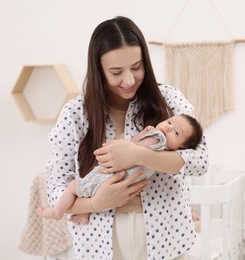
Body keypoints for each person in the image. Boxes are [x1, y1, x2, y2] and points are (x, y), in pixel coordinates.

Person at [45, 16, 209, 260]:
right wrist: (94, 204)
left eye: (136, 67)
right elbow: (56, 188)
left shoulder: (169, 99)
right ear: (98, 69)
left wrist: (138, 154)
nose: (129, 80)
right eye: (116, 72)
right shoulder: (75, 114)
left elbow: (200, 161)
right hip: (100, 243)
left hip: (167, 237)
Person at [39, 114, 203, 224]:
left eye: (176, 132)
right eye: (169, 122)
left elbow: (133, 149)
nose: (168, 128)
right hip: (118, 182)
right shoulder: (164, 155)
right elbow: (137, 147)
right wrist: (142, 136)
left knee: (74, 186)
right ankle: (83, 214)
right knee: (86, 191)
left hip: (109, 177)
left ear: (181, 147)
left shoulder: (158, 139)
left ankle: (57, 213)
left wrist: (141, 137)